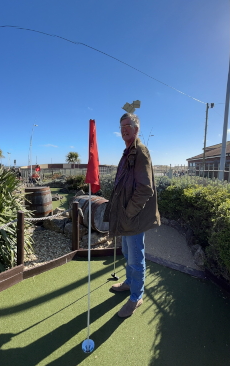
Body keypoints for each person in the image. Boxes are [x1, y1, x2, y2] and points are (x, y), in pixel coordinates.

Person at [105, 112, 160, 318]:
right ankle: (129, 284)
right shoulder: (127, 151)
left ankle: (136, 297)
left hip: (134, 219)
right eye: (121, 127)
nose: (124, 129)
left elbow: (145, 188)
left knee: (136, 258)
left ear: (137, 129)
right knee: (128, 255)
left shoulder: (140, 152)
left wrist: (128, 213)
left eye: (127, 125)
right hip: (126, 217)